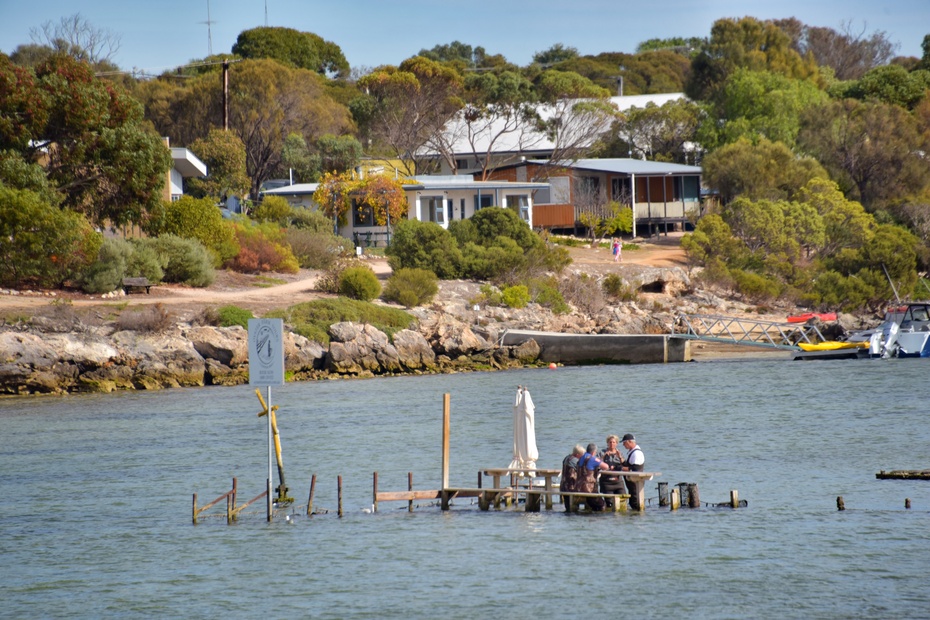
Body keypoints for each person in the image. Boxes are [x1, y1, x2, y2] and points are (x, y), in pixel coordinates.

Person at [577, 443, 609, 511]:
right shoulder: (592, 459)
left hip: (579, 486)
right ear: (594, 452)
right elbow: (606, 466)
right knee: (602, 504)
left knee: (592, 504)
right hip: (589, 489)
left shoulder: (581, 457)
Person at [598, 434, 625, 505]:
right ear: (607, 443)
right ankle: (609, 515)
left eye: (613, 442)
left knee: (623, 500)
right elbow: (597, 463)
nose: (612, 444)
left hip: (618, 481)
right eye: (610, 442)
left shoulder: (619, 453)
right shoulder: (602, 452)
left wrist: (620, 457)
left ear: (616, 443)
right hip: (607, 481)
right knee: (609, 502)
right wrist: (604, 456)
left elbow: (624, 465)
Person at [620, 433, 645, 509]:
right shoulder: (632, 452)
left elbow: (635, 469)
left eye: (624, 443)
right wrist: (621, 459)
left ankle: (637, 518)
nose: (623, 445)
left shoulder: (637, 453)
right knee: (632, 501)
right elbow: (629, 465)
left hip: (635, 483)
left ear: (629, 442)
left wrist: (620, 468)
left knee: (635, 502)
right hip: (631, 483)